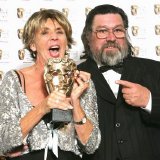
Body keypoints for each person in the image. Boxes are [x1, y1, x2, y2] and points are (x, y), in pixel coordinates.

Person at [0, 9, 101, 160]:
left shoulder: (81, 82)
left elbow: (91, 145)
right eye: (45, 32)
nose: (54, 37)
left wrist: (75, 101)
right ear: (33, 45)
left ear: (66, 43)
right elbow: (4, 143)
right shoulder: (14, 80)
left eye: (60, 32)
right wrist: (43, 107)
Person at [78, 4, 160, 160]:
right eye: (102, 31)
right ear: (88, 37)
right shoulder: (73, 76)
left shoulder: (155, 70)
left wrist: (149, 100)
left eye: (118, 30)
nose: (111, 38)